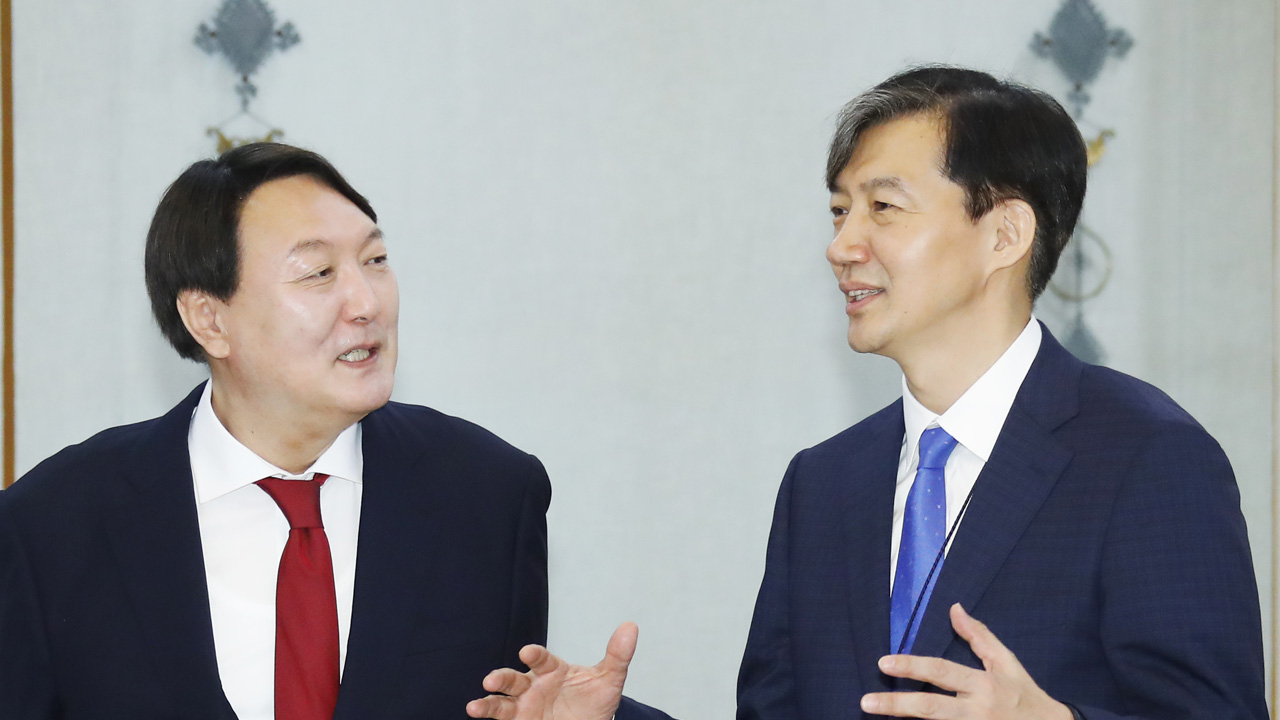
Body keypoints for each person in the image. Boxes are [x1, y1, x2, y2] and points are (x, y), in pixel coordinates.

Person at [466, 66, 1268, 720]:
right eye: (840, 211)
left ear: (1004, 234)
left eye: (883, 208)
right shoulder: (825, 482)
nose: (842, 245)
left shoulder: (1145, 456)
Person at [0, 142, 551, 719]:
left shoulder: (488, 495)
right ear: (210, 320)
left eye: (376, 260)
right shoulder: (52, 526)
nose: (367, 303)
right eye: (318, 273)